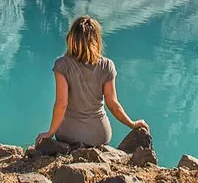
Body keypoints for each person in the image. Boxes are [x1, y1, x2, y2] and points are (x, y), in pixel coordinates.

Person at [36, 16, 148, 147]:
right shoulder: (107, 65)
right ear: (96, 40)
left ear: (71, 38)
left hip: (69, 135)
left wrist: (50, 133)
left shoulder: (62, 65)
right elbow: (113, 104)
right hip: (99, 136)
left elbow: (62, 103)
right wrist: (132, 124)